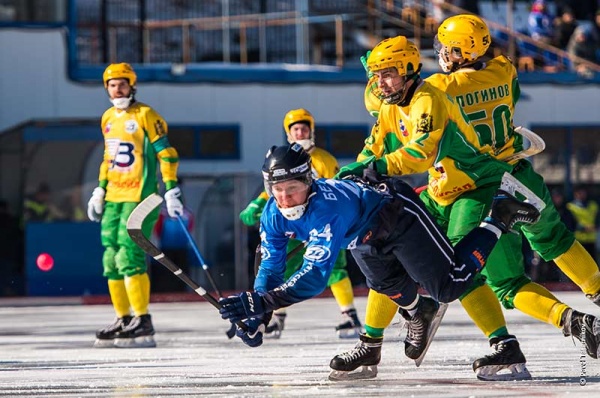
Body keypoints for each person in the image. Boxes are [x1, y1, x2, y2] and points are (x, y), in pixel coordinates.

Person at [341, 16, 600, 381]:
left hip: (473, 184)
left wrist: (380, 79)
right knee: (555, 242)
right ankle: (594, 294)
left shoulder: (437, 89)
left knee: (477, 274)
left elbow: (393, 103)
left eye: (448, 49)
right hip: (514, 171)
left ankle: (489, 335)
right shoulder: (505, 69)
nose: (443, 54)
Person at [219, 144, 540, 357]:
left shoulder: (324, 209)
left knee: (449, 285)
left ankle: (499, 215)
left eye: (294, 188)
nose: (287, 198)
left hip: (397, 215)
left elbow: (316, 276)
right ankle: (419, 312)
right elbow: (271, 267)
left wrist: (263, 301)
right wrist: (260, 312)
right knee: (387, 286)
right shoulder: (273, 214)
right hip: (363, 234)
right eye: (279, 190)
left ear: (309, 182)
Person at [239, 109, 362, 339]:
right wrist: (257, 204)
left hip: (324, 224)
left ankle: (349, 314)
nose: (300, 132)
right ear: (288, 133)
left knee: (334, 268)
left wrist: (320, 221)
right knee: (280, 267)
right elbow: (277, 192)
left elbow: (333, 190)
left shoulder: (324, 160)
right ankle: (274, 316)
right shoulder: (280, 157)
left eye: (304, 128)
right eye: (295, 129)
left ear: (311, 131)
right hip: (291, 227)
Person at [88, 62, 183, 348]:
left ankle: (142, 318)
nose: (118, 89)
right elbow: (109, 158)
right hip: (115, 196)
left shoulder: (145, 115)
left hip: (140, 196)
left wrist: (170, 188)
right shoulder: (107, 118)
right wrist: (99, 190)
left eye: (123, 83)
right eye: (113, 84)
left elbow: (166, 152)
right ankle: (123, 318)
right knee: (111, 256)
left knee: (129, 253)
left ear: (132, 86)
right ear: (107, 88)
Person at [567, 185, 598, 261]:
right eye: (579, 193)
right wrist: (582, 228)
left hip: (591, 238)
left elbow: (597, 219)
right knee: (580, 262)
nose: (581, 195)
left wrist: (595, 226)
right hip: (578, 239)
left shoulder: (593, 205)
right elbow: (570, 223)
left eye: (582, 192)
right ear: (575, 194)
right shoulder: (570, 207)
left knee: (593, 262)